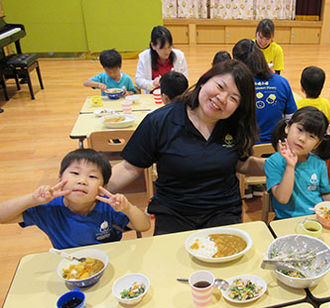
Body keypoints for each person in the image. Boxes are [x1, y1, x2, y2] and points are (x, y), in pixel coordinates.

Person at [108, 60, 264, 235]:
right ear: (205, 80)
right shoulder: (161, 121)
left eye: (233, 98)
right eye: (220, 86)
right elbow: (129, 167)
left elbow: (240, 163)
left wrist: (276, 165)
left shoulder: (235, 125)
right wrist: (91, 186)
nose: (222, 98)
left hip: (223, 212)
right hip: (173, 212)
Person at [0, 149, 150, 249]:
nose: (82, 181)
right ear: (60, 178)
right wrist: (32, 199)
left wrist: (128, 208)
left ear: (103, 186)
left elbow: (144, 226)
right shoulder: (49, 207)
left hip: (108, 262)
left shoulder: (108, 206)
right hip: (68, 267)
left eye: (92, 176)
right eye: (75, 173)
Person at [265, 107, 330, 219]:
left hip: (316, 218)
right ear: (288, 128)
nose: (303, 139)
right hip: (286, 221)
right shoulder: (273, 162)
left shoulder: (319, 163)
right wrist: (290, 165)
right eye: (300, 130)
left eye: (311, 136)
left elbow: (325, 193)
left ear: (317, 144)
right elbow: (282, 198)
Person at [232, 39, 297, 144]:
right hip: (277, 148)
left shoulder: (236, 85)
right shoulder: (282, 82)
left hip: (246, 148)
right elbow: (292, 119)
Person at [135, 25, 188, 93]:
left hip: (173, 97)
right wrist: (153, 84)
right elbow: (138, 80)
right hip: (153, 97)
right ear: (153, 46)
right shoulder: (144, 57)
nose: (167, 51)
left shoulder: (179, 56)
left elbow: (185, 80)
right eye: (162, 48)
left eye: (169, 47)